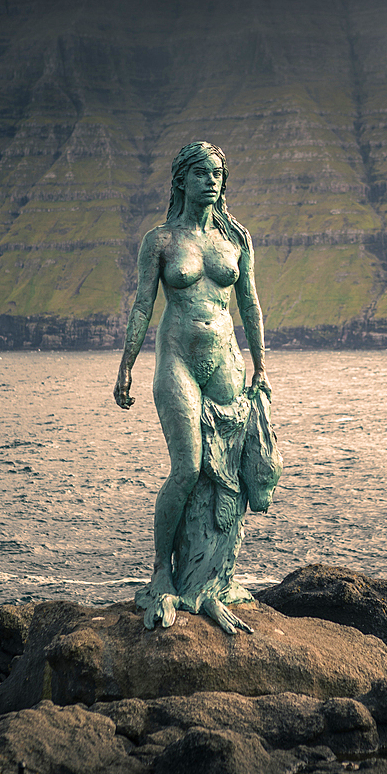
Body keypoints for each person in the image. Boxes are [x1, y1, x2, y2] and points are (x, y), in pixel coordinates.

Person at [114, 141, 272, 632]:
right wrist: (126, 366)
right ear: (182, 179)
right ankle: (164, 571)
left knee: (227, 473)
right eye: (202, 173)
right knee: (188, 467)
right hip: (178, 360)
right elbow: (143, 306)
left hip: (226, 359)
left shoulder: (235, 239)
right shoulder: (160, 241)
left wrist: (262, 366)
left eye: (219, 173)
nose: (212, 181)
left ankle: (212, 578)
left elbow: (250, 304)